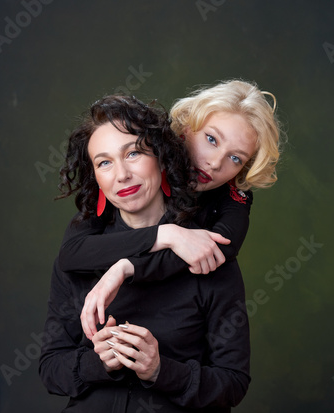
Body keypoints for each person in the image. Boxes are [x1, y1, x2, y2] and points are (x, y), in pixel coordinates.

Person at [14, 95, 250, 413]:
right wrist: (96, 362)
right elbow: (51, 367)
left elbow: (233, 382)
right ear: (97, 177)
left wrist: (161, 370)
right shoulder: (78, 257)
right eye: (104, 162)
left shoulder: (209, 259)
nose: (121, 173)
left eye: (134, 153)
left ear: (161, 156)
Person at [57, 80, 281, 336]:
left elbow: (217, 249)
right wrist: (166, 235)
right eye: (211, 139)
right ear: (186, 126)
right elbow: (72, 253)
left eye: (235, 158)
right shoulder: (141, 166)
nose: (216, 163)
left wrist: (128, 267)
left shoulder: (233, 197)